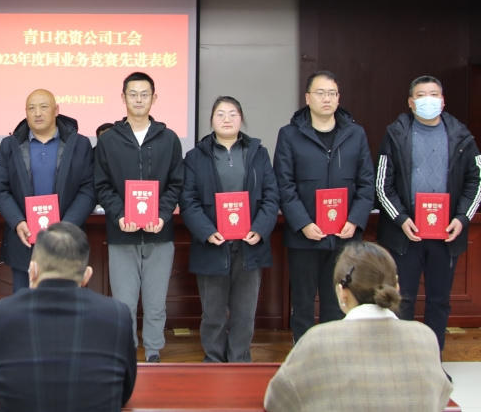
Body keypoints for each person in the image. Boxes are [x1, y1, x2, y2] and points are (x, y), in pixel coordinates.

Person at [264, 241, 453, 412]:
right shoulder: (425, 337)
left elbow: (276, 402)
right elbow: (441, 398)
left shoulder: (316, 339)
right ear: (396, 286)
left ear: (342, 292)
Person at [376, 75, 481, 352]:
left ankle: (432, 361)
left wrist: (461, 218)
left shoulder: (461, 136)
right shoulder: (395, 135)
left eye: (434, 95)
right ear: (411, 103)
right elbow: (382, 184)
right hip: (406, 235)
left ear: (443, 101)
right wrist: (401, 219)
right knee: (402, 301)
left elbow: (476, 180)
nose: (428, 100)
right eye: (421, 96)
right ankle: (402, 361)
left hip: (446, 235)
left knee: (439, 301)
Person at [0, 222, 137, 412]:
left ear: (32, 270)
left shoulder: (0, 314)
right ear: (87, 275)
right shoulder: (117, 315)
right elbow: (125, 392)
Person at [273, 70, 375, 342]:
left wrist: (355, 220)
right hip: (304, 236)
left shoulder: (355, 134)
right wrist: (304, 223)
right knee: (303, 304)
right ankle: (305, 354)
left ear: (339, 98)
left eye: (332, 93)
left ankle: (334, 354)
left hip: (344, 236)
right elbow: (284, 185)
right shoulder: (290, 135)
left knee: (338, 302)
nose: (326, 98)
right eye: (320, 93)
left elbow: (367, 183)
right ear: (308, 98)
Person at [180, 96, 279, 363]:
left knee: (244, 311)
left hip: (249, 243)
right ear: (211, 120)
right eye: (220, 114)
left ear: (241, 119)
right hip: (212, 243)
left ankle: (239, 360)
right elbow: (188, 200)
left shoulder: (258, 153)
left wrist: (260, 229)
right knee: (213, 312)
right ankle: (213, 360)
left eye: (233, 114)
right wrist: (207, 231)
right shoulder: (195, 156)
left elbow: (271, 196)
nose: (227, 119)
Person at [94, 71, 184, 362]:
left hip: (160, 234)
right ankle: (127, 350)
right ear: (123, 98)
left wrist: (162, 215)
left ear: (154, 98)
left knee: (156, 302)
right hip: (122, 234)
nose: (138, 100)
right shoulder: (109, 140)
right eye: (132, 94)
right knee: (124, 303)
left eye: (144, 94)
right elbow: (101, 185)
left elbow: (176, 184)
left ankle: (154, 351)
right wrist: (120, 214)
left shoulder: (169, 139)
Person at [0, 89, 96, 293]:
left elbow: (89, 188)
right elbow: (0, 189)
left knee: (65, 305)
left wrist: (66, 226)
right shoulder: (10, 145)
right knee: (25, 304)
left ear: (56, 110)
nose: (37, 113)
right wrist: (17, 222)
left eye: (43, 107)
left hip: (66, 240)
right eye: (31, 108)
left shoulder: (79, 144)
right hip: (24, 239)